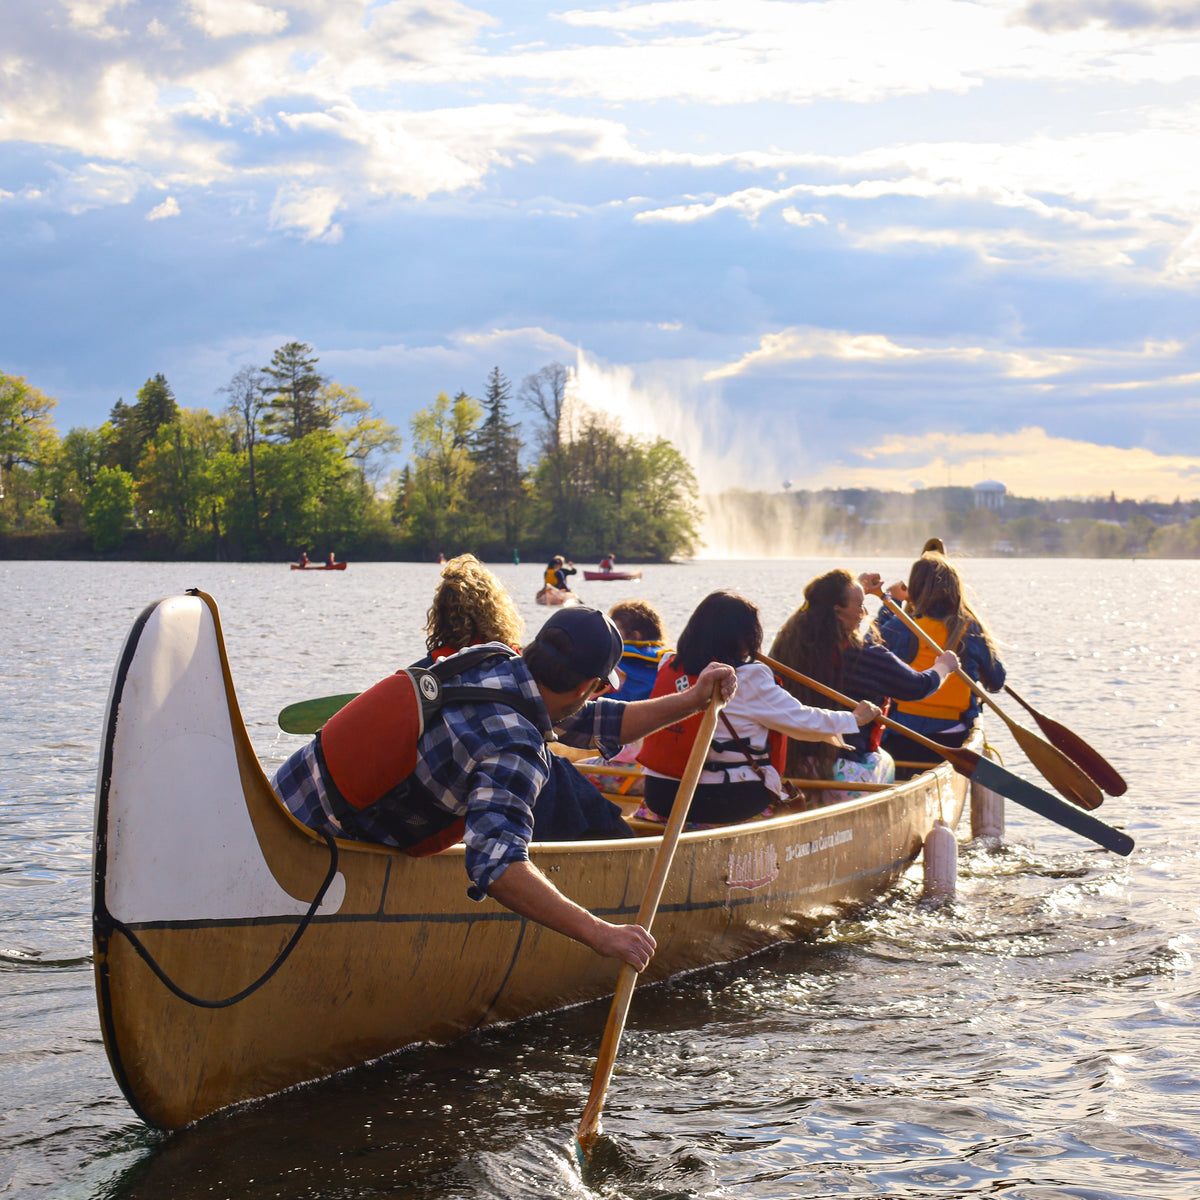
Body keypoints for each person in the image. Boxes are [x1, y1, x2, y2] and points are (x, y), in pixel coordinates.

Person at [271, 605, 737, 971]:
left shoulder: (493, 660)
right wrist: (601, 934)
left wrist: (694, 700)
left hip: (277, 814)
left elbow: (592, 721)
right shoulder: (517, 747)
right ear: (589, 685)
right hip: (311, 857)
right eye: (598, 689)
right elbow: (496, 867)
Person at [417, 554, 627, 841]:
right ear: (496, 612)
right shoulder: (501, 667)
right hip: (469, 819)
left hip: (425, 814)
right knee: (554, 768)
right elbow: (579, 723)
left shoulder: (429, 671)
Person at [637, 591, 881, 827]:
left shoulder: (669, 665)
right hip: (715, 800)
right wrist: (854, 719)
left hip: (661, 797)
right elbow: (801, 720)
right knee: (788, 797)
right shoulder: (746, 678)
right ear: (743, 636)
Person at [768, 568, 959, 797]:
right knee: (885, 761)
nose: (864, 611)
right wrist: (944, 666)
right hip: (845, 773)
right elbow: (917, 686)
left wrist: (852, 589)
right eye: (859, 605)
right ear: (838, 612)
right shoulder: (866, 656)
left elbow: (812, 608)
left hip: (788, 766)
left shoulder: (787, 647)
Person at [875, 551, 1005, 767]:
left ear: (914, 592)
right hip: (952, 738)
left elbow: (868, 646)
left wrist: (891, 604)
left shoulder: (900, 626)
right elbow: (996, 682)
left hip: (901, 736)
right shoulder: (970, 628)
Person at [607, 599, 671, 703]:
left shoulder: (612, 663)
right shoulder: (669, 660)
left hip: (623, 715)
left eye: (615, 631)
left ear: (635, 636)